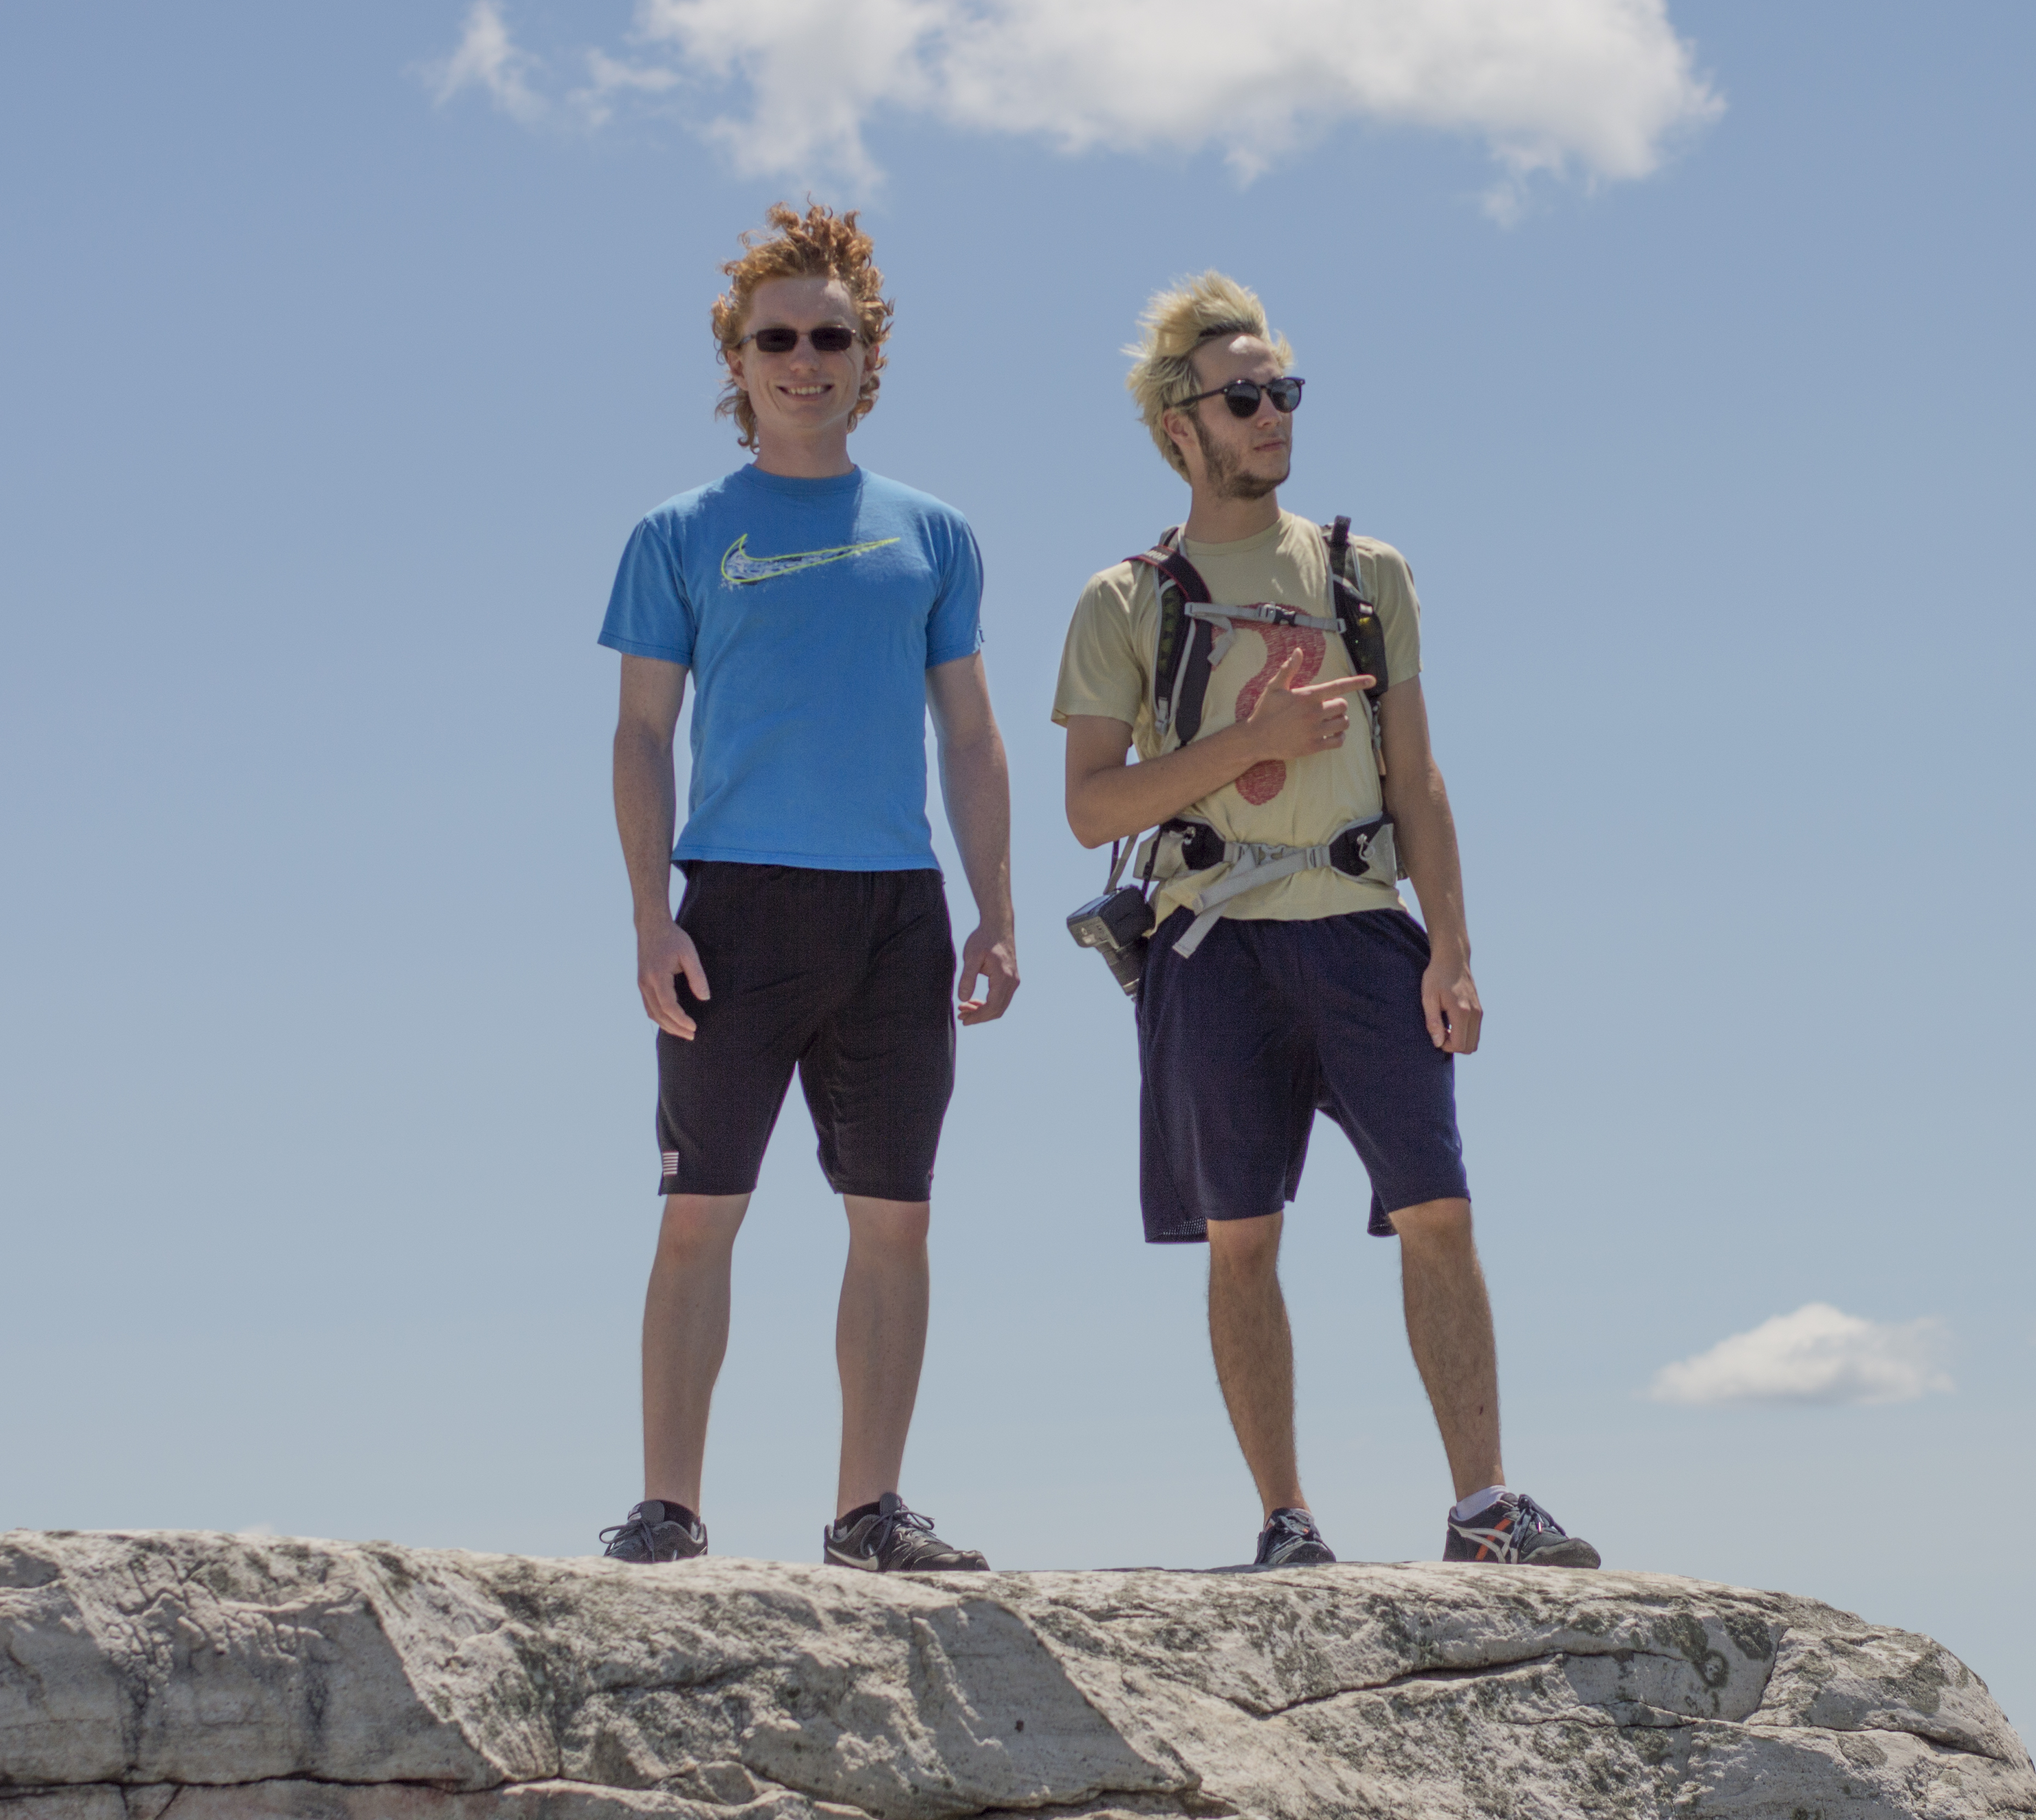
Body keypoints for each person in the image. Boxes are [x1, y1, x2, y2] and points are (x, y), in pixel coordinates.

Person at [1050, 272, 1596, 1571]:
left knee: (1439, 1208)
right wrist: (1248, 742)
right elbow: (1087, 808)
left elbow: (1418, 778)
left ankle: (1484, 1507)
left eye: (1282, 391)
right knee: (1241, 1236)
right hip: (1207, 945)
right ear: (1179, 425)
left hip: (1361, 928)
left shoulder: (1367, 572)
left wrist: (1452, 947)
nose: (1272, 414)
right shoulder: (1122, 600)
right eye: (1244, 396)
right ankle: (1286, 1521)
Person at [594, 204, 1019, 1571]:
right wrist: (650, 914)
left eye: (829, 334)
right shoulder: (677, 531)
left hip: (895, 908)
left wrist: (996, 907)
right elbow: (642, 732)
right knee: (698, 1214)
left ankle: (867, 1510)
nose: (803, 357)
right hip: (734, 908)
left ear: (865, 354)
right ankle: (667, 1505)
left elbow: (968, 730)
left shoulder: (933, 531)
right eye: (775, 335)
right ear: (737, 354)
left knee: (894, 1215)